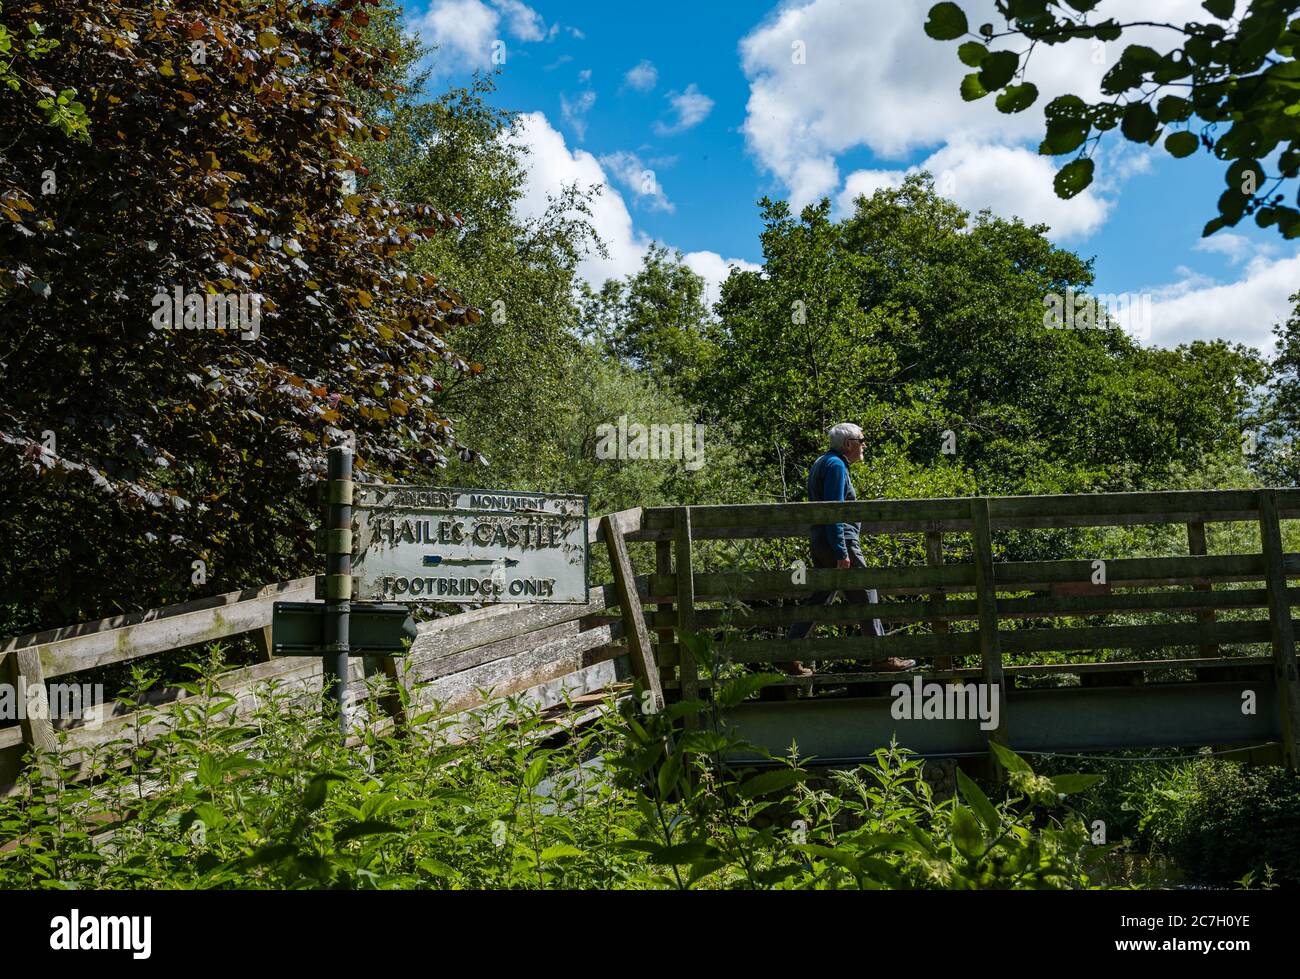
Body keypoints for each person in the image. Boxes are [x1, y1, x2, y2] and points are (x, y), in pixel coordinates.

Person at [783, 423, 916, 676]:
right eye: (861, 440)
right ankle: (881, 657)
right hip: (838, 540)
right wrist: (842, 551)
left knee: (821, 597)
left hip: (822, 540)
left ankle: (788, 655)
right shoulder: (835, 465)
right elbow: (835, 510)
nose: (864, 444)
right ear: (848, 444)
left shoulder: (824, 461)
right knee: (866, 592)